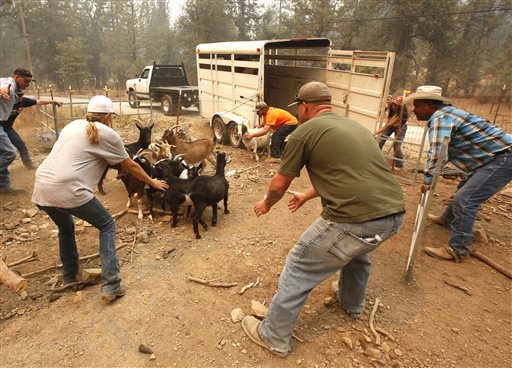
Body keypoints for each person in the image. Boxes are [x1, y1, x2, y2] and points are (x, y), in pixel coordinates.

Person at [241, 81, 405, 357]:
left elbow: (279, 184)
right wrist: (306, 195)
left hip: (355, 218)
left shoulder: (304, 133)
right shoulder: (355, 127)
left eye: (299, 108)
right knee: (357, 251)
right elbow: (348, 173)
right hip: (392, 215)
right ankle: (352, 304)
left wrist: (267, 204)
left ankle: (273, 336)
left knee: (300, 263)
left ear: (304, 107)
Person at [32, 95, 168, 303]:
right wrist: (153, 182)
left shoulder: (72, 125)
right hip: (69, 188)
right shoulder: (109, 134)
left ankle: (71, 274)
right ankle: (111, 286)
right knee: (106, 224)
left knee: (66, 227)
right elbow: (130, 165)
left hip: (41, 187)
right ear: (109, 117)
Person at [404, 91, 512, 263]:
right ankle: (447, 219)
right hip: (492, 156)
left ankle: (459, 249)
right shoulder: (449, 113)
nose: (414, 111)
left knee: (466, 199)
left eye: (417, 106)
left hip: (502, 157)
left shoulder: (440, 117)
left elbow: (438, 152)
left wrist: (428, 180)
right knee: (464, 188)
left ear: (430, 106)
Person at [2, 90, 62, 170]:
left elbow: (39, 102)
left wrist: (53, 101)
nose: (19, 98)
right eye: (17, 96)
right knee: (7, 150)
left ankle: (29, 165)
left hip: (8, 128)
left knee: (20, 144)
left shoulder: (23, 101)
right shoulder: (4, 101)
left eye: (21, 95)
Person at [0, 68, 34, 193]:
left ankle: (3, 186)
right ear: (16, 77)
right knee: (9, 153)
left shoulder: (16, 94)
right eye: (26, 81)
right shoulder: (9, 85)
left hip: (3, 125)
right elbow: (4, 87)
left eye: (29, 82)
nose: (27, 84)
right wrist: (3, 90)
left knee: (3, 153)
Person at [377, 95, 408, 168]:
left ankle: (399, 164)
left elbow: (387, 126)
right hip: (391, 126)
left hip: (400, 128)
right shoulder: (391, 107)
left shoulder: (403, 114)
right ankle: (377, 158)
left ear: (401, 107)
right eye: (394, 104)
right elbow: (382, 111)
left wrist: (375, 132)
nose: (394, 106)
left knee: (396, 146)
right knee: (380, 140)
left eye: (397, 105)